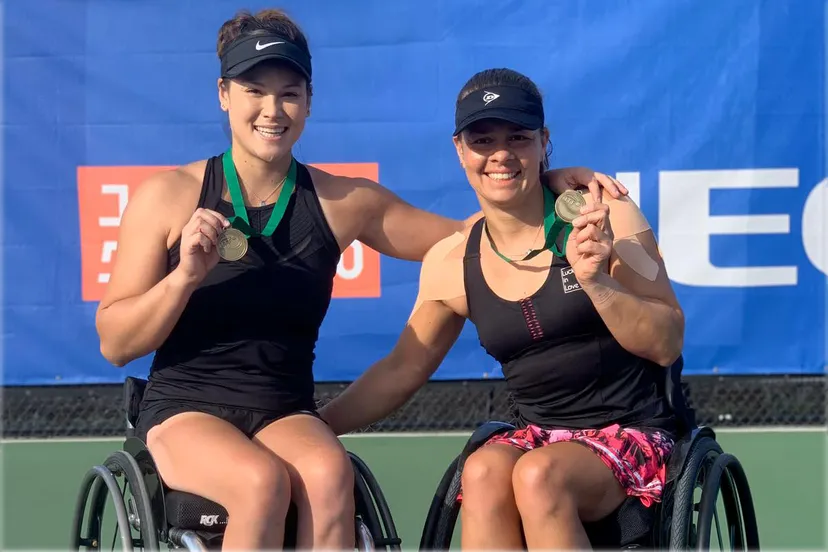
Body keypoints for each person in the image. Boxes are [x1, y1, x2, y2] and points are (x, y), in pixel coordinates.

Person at [95, 8, 627, 552]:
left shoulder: (344, 202)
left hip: (282, 410)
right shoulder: (166, 197)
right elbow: (115, 343)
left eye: (289, 94)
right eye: (255, 91)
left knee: (330, 475)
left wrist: (543, 181)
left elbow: (476, 233)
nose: (272, 110)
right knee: (260, 482)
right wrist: (184, 277)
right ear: (223, 95)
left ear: (309, 101)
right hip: (186, 409)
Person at [319, 67, 685, 551]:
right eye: (483, 140)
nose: (501, 155)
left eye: (518, 138)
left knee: (538, 476)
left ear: (543, 142)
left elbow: (667, 342)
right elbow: (401, 369)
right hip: (536, 437)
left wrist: (596, 283)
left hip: (633, 433)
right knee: (483, 470)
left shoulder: (607, 216)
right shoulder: (452, 260)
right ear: (459, 150)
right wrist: (317, 426)